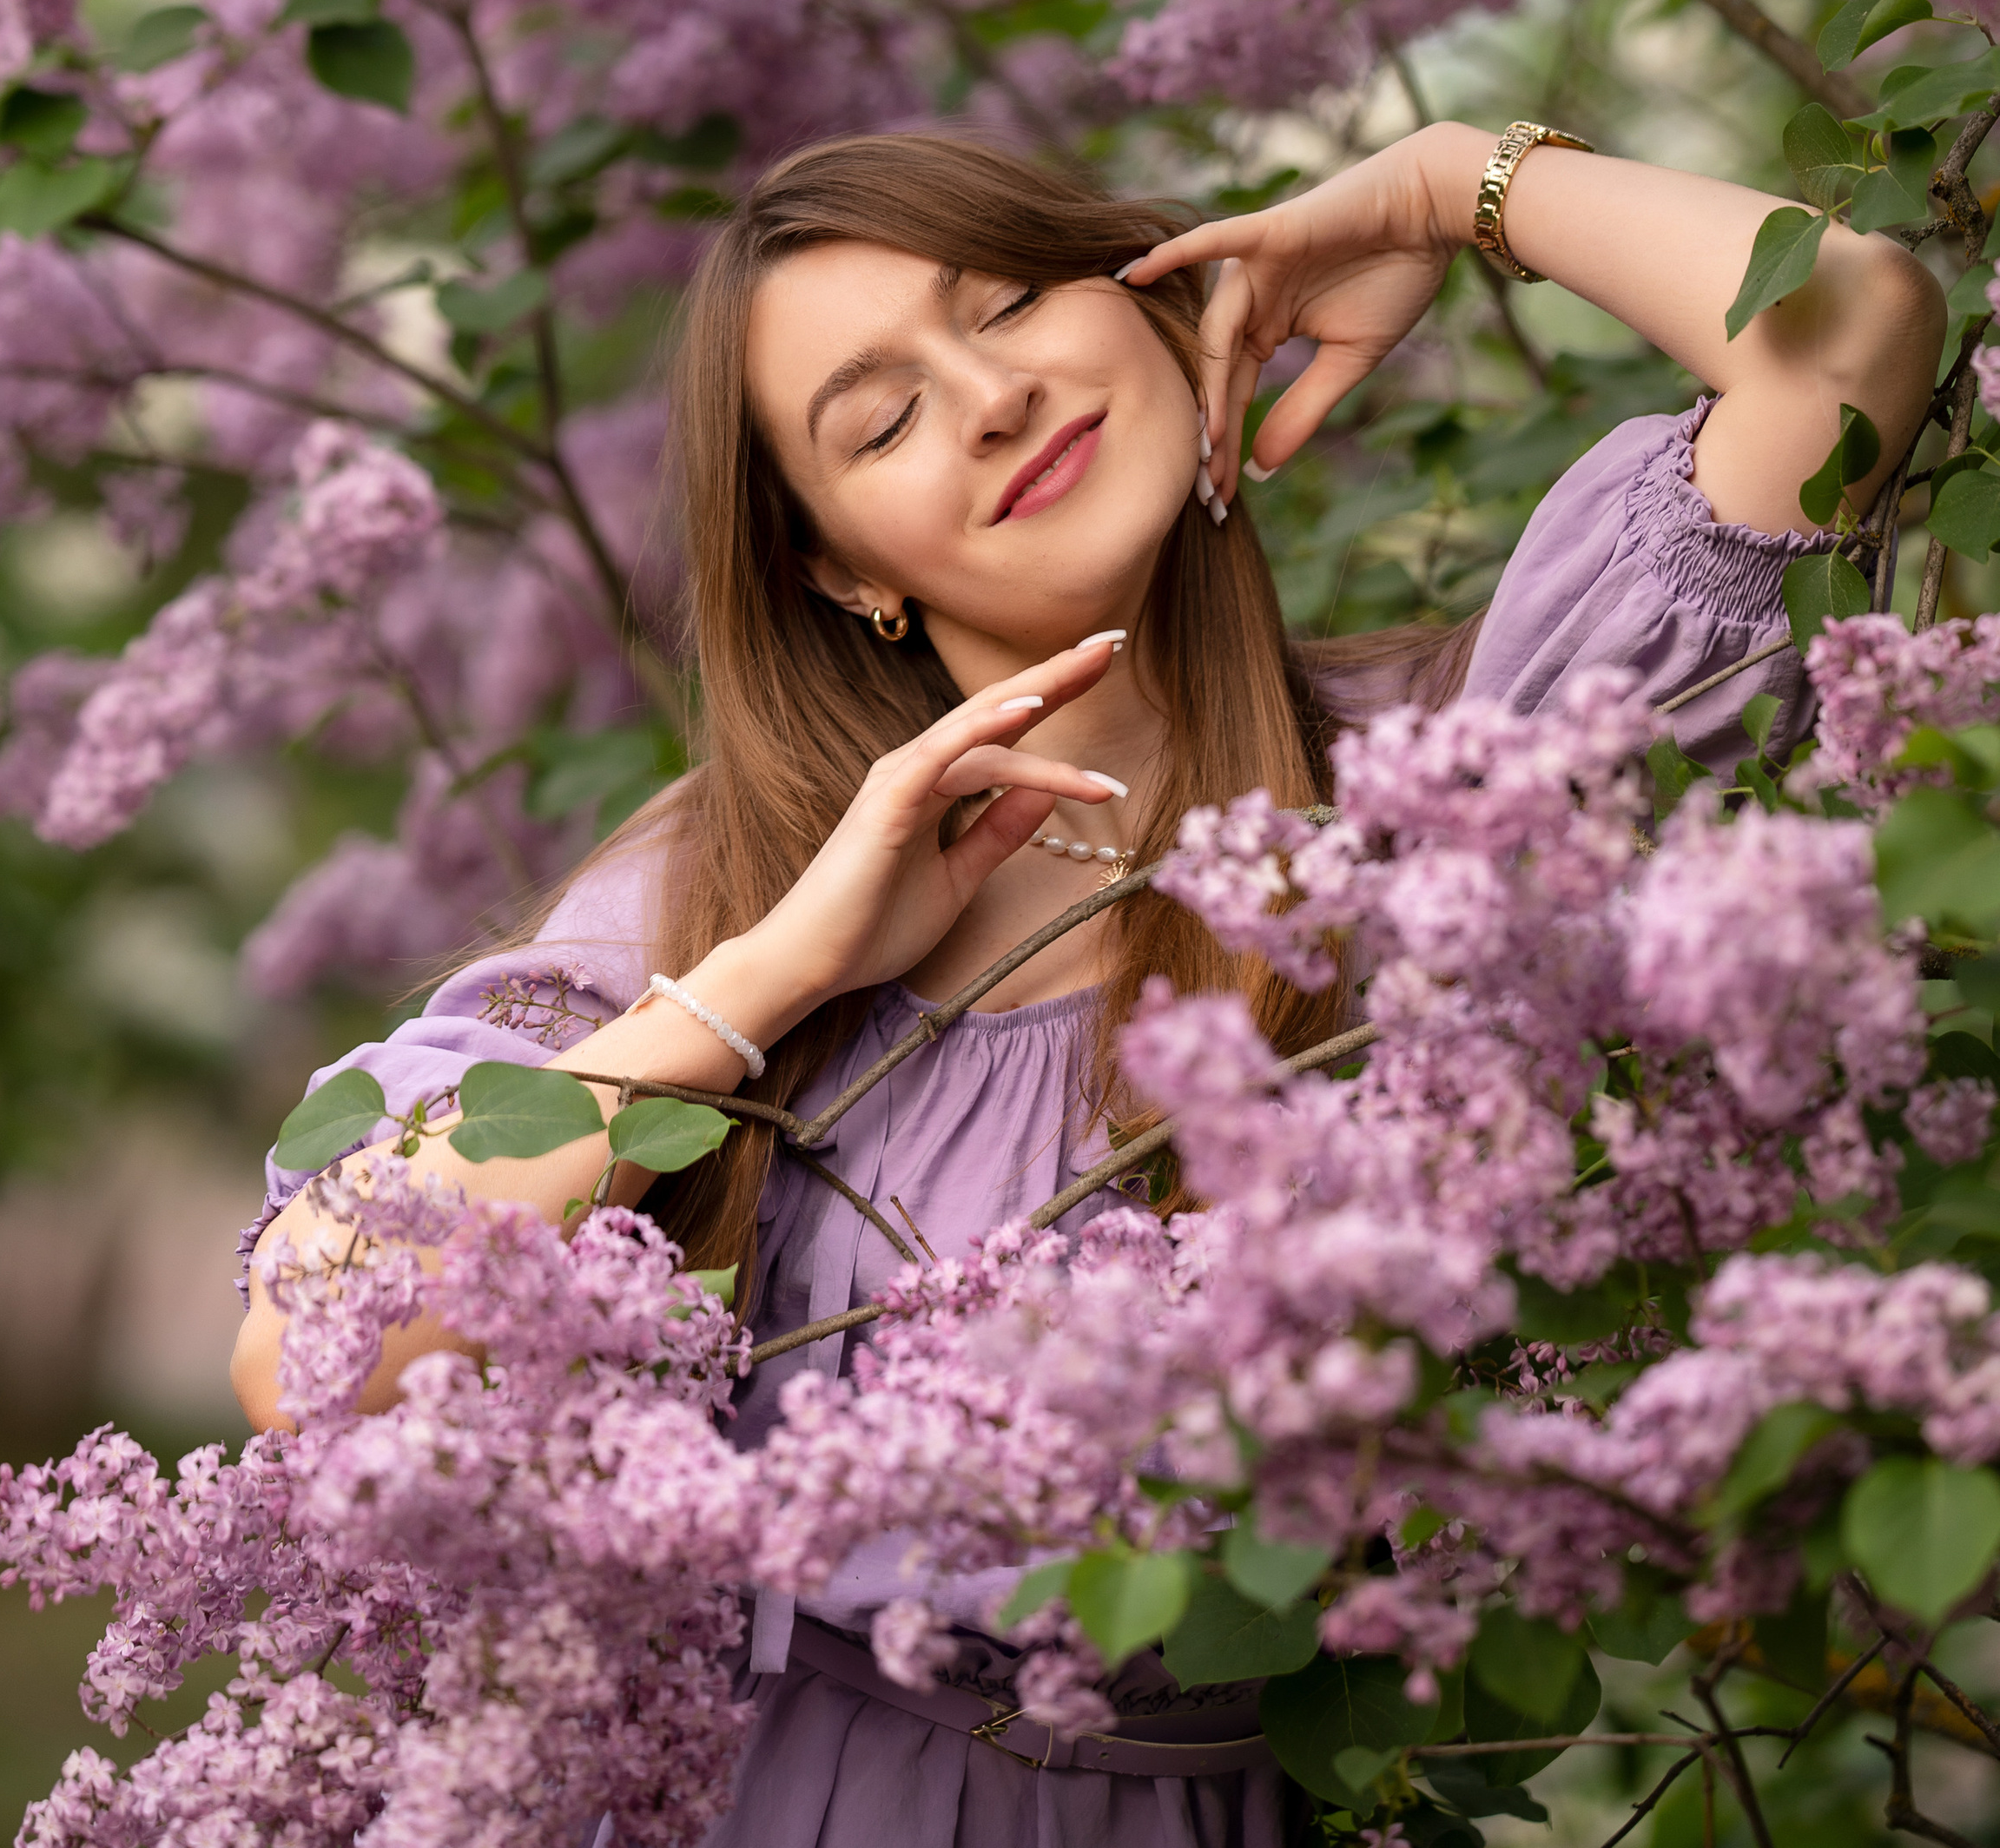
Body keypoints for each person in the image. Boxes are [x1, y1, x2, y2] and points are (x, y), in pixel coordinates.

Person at [232, 122, 1944, 1845]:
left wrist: (1448, 184)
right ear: (841, 568)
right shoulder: (726, 888)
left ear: (1157, 306)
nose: (988, 399)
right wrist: (779, 972)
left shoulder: (1444, 805)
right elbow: (311, 1346)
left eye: (1007, 306)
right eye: (880, 420)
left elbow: (1856, 332)